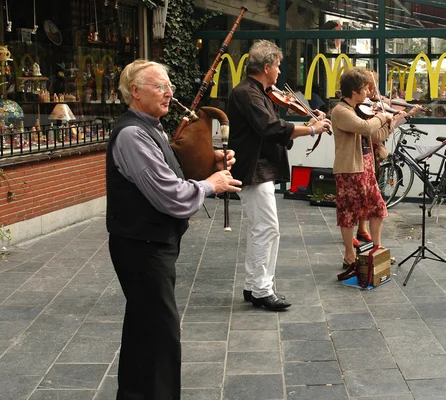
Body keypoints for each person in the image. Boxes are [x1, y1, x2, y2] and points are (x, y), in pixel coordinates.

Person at [106, 59, 242, 399]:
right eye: (160, 86)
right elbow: (172, 197)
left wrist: (211, 163)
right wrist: (211, 185)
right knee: (161, 335)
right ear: (135, 92)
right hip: (142, 246)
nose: (169, 92)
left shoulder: (151, 128)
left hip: (149, 242)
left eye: (170, 86)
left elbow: (173, 176)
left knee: (144, 329)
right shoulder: (133, 134)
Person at [227, 40, 331, 311]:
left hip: (259, 168)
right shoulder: (247, 94)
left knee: (260, 229)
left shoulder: (258, 91)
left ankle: (253, 286)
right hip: (253, 169)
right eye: (277, 66)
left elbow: (276, 125)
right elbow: (270, 127)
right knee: (268, 229)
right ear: (266, 67)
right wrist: (310, 130)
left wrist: (307, 121)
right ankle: (262, 289)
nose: (279, 72)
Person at [331, 67, 403, 268]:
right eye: (365, 89)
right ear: (354, 91)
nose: (368, 93)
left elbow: (375, 136)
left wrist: (392, 122)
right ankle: (349, 256)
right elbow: (365, 128)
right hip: (349, 169)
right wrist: (382, 117)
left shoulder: (358, 110)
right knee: (348, 213)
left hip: (367, 166)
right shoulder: (341, 111)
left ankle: (376, 250)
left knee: (378, 208)